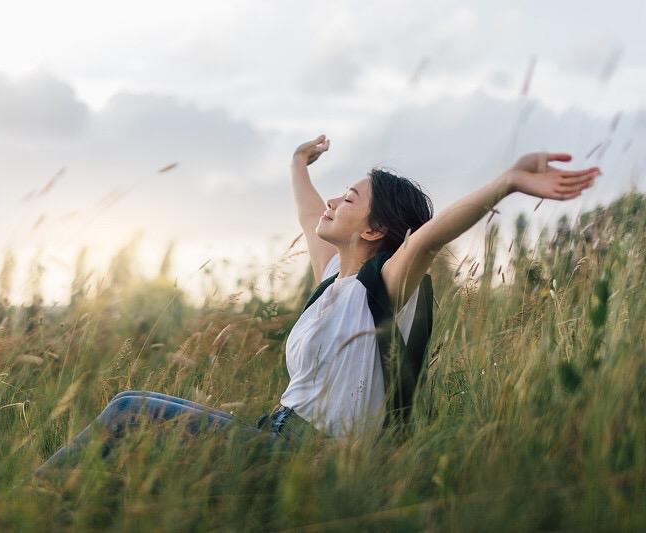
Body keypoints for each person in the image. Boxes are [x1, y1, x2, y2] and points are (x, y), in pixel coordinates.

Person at [37, 134, 601, 473]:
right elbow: (310, 214)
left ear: (378, 229)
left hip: (313, 460)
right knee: (134, 426)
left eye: (350, 197)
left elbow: (430, 236)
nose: (334, 201)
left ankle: (29, 499)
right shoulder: (333, 280)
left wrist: (506, 181)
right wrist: (296, 164)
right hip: (272, 436)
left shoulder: (385, 288)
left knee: (129, 412)